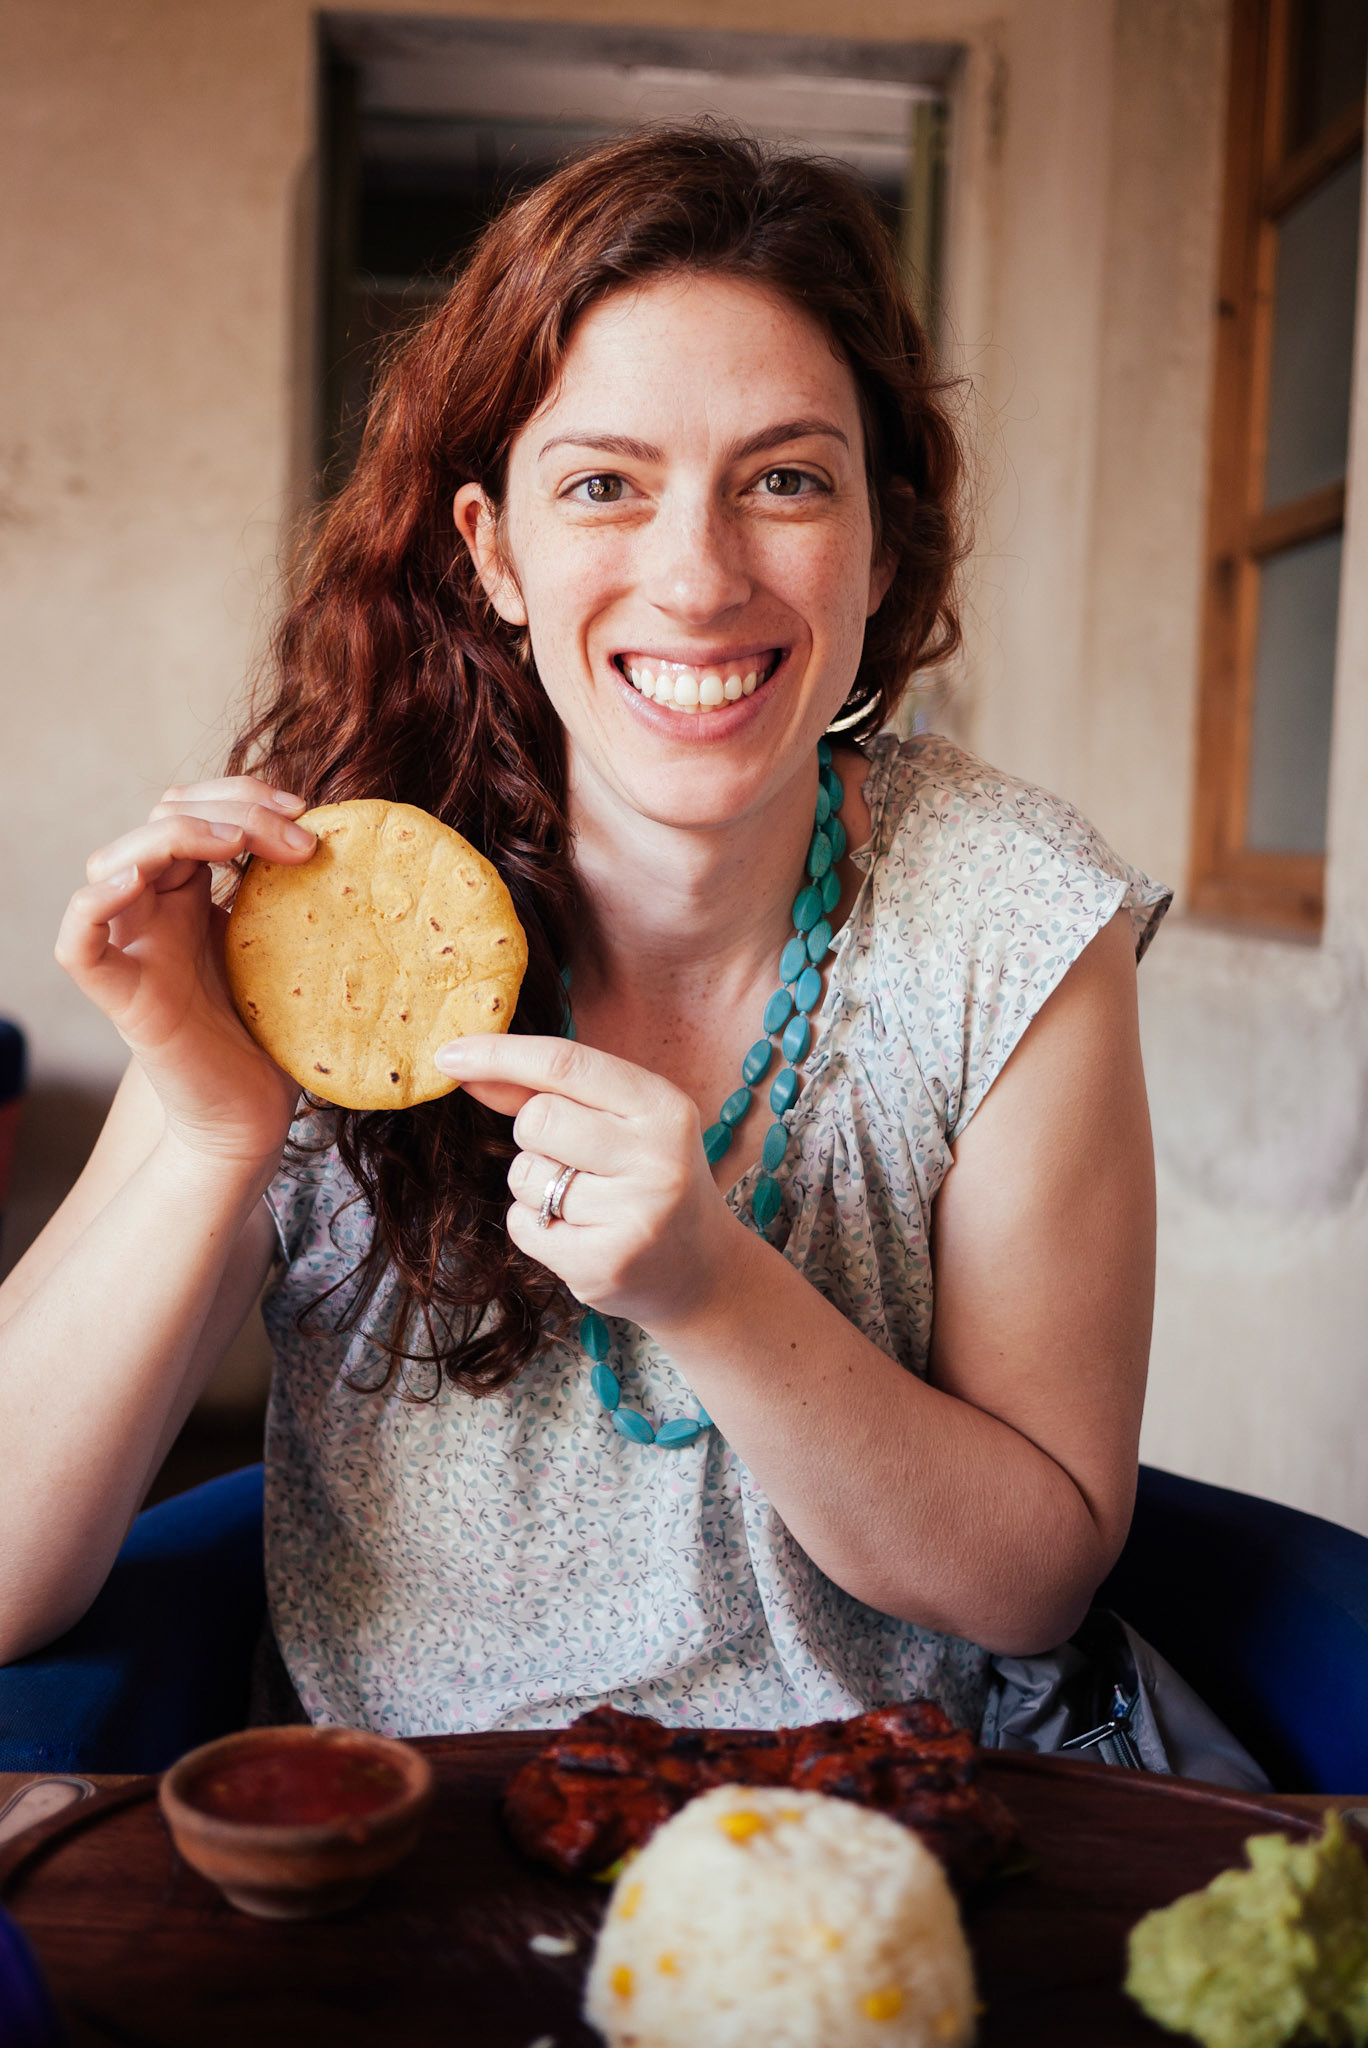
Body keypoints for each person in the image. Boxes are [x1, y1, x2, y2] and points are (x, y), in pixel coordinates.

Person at [0, 128, 1167, 1740]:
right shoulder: (319, 923)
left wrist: (713, 1288)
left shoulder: (1010, 915)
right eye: (604, 485)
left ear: (882, 543)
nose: (696, 578)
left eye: (785, 480)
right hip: (393, 1852)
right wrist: (214, 1128)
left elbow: (1034, 1582)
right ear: (494, 551)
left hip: (853, 1848)